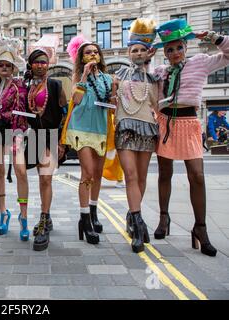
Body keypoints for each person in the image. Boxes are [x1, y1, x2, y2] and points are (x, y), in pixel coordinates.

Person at [152, 19, 229, 256]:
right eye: (169, 49)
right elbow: (145, 91)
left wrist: (211, 37)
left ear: (186, 47)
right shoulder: (159, 72)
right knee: (165, 173)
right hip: (165, 124)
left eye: (178, 48)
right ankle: (164, 219)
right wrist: (146, 55)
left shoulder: (200, 63)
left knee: (197, 175)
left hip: (189, 123)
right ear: (165, 53)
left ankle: (200, 228)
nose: (174, 53)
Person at [62, 35, 113, 245]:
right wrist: (83, 75)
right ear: (81, 58)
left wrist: (115, 101)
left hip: (100, 128)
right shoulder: (76, 77)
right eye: (87, 52)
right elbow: (77, 99)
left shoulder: (109, 80)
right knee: (88, 173)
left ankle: (93, 212)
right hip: (81, 128)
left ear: (100, 56)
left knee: (98, 174)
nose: (92, 55)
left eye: (95, 52)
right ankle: (84, 218)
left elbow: (111, 103)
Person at [113, 18, 159, 253]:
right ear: (128, 53)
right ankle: (139, 224)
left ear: (148, 52)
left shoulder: (154, 78)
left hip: (147, 130)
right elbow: (110, 101)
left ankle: (132, 218)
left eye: (142, 49)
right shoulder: (118, 76)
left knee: (141, 178)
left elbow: (159, 107)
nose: (138, 53)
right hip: (125, 129)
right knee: (130, 176)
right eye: (134, 50)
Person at [0, 36, 30, 241]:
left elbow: (19, 112)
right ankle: (3, 213)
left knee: (20, 170)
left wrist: (0, 114)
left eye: (7, 65)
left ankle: (24, 216)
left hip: (15, 131)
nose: (4, 68)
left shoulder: (19, 85)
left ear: (13, 67)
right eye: (0, 65)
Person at [24, 46, 67, 251]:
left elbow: (64, 114)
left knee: (46, 177)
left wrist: (61, 142)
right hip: (34, 136)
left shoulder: (55, 85)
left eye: (44, 62)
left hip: (51, 135)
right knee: (40, 178)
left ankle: (43, 218)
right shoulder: (26, 87)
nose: (41, 65)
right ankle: (46, 216)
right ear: (31, 65)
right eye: (37, 62)